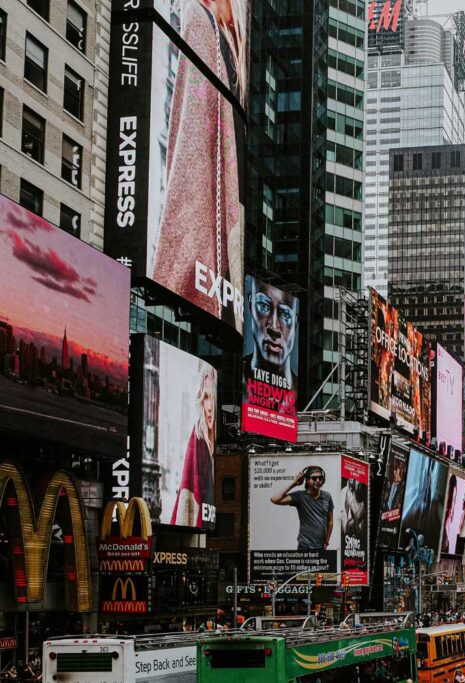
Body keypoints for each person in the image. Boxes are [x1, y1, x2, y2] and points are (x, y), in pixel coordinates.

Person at [153, 0, 246, 329]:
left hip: (208, 255)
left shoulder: (207, 24)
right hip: (216, 261)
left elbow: (191, 144)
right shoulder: (223, 38)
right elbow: (190, 139)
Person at [171, 363, 217, 527]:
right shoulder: (197, 437)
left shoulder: (214, 441)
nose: (209, 407)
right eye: (205, 398)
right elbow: (188, 490)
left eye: (212, 398)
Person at [244, 277, 298, 390]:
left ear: (296, 323)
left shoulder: (301, 392)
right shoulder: (237, 378)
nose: (274, 327)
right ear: (250, 304)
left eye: (285, 314)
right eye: (263, 307)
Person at [271, 466, 334, 550]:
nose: (318, 480)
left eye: (320, 478)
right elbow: (275, 499)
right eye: (314, 478)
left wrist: (326, 541)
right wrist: (295, 483)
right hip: (305, 546)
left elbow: (330, 521)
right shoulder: (300, 496)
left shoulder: (327, 496)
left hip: (321, 547)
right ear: (307, 480)